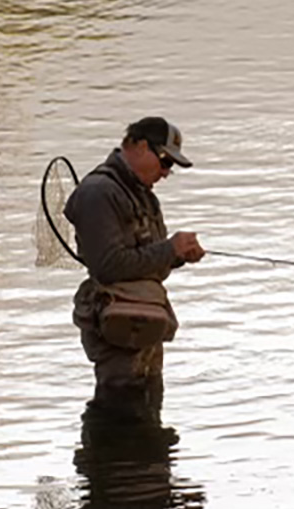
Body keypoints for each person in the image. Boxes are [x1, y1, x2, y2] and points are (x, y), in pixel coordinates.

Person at [65, 117, 205, 424]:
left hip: (142, 329)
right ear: (139, 146)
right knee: (120, 415)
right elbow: (109, 265)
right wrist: (170, 249)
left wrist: (179, 256)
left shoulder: (142, 194)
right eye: (165, 161)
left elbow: (145, 260)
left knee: (148, 417)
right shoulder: (98, 193)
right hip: (117, 333)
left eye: (172, 167)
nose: (167, 173)